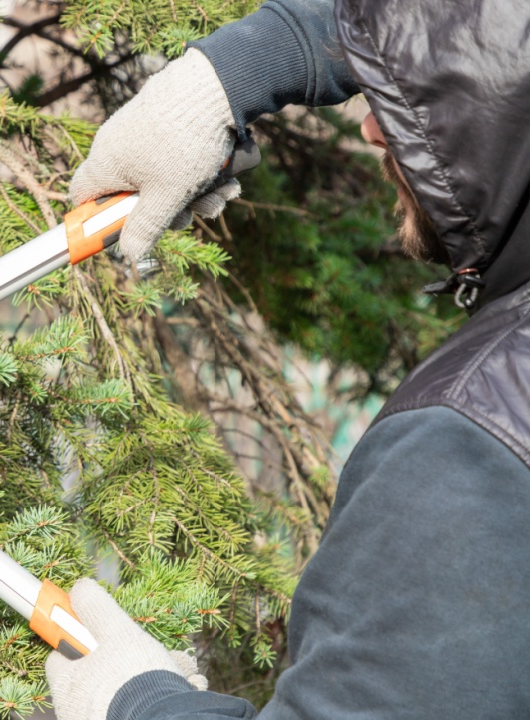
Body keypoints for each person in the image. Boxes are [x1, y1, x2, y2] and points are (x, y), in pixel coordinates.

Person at [45, 1, 530, 718]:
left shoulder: (472, 450)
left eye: (415, 103)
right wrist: (247, 67)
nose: (368, 126)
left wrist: (138, 704)